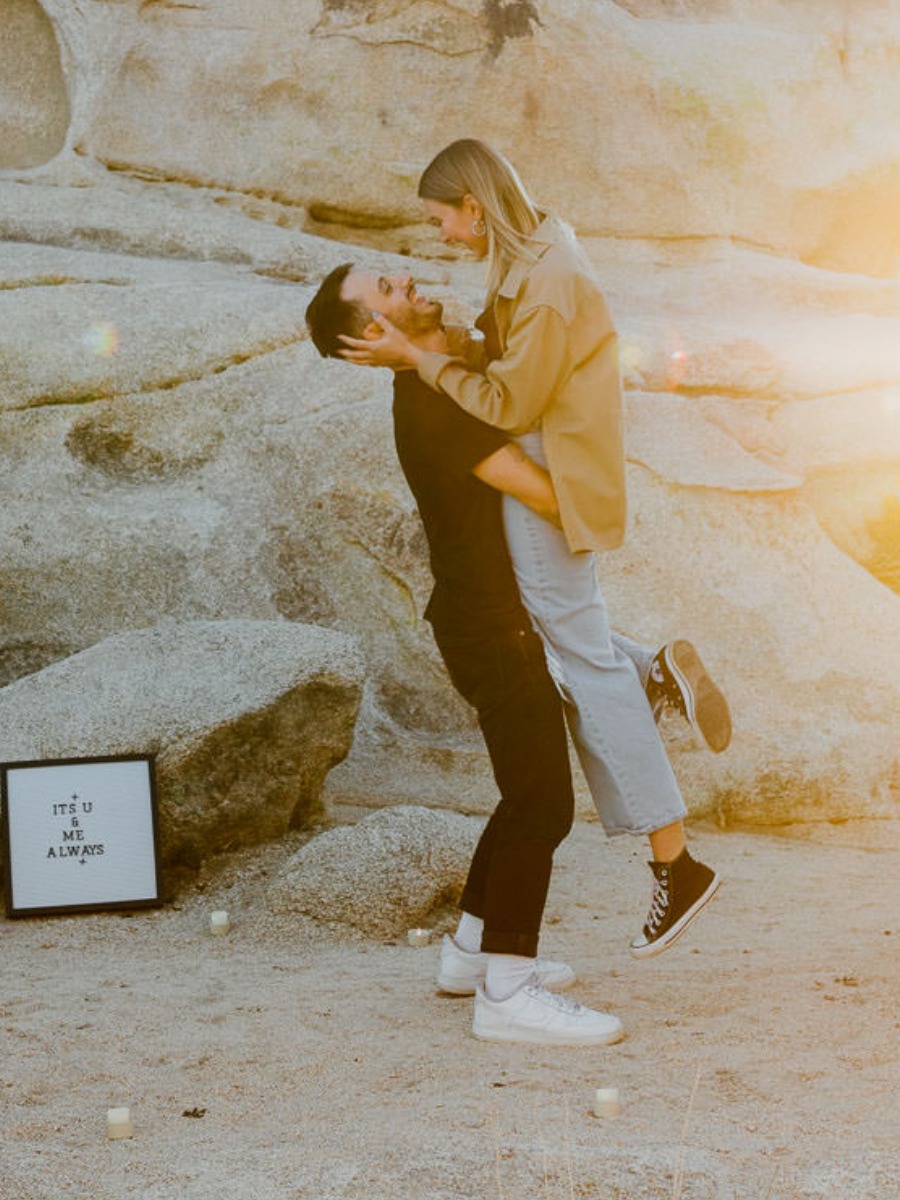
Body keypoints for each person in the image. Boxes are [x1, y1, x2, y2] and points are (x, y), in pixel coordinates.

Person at [338, 138, 729, 958]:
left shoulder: (544, 283)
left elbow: (510, 397)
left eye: (442, 217)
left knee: (580, 657)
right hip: (553, 445)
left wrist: (417, 356)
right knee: (572, 641)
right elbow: (513, 364)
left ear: (474, 206)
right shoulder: (539, 250)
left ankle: (676, 862)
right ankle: (651, 669)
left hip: (550, 455)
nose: (440, 237)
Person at [306, 261, 624, 1046]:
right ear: (372, 333)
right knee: (543, 805)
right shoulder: (436, 406)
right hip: (493, 628)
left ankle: (470, 954)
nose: (408, 281)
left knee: (524, 797)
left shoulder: (431, 387)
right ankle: (509, 994)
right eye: (388, 290)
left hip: (479, 621)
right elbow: (547, 495)